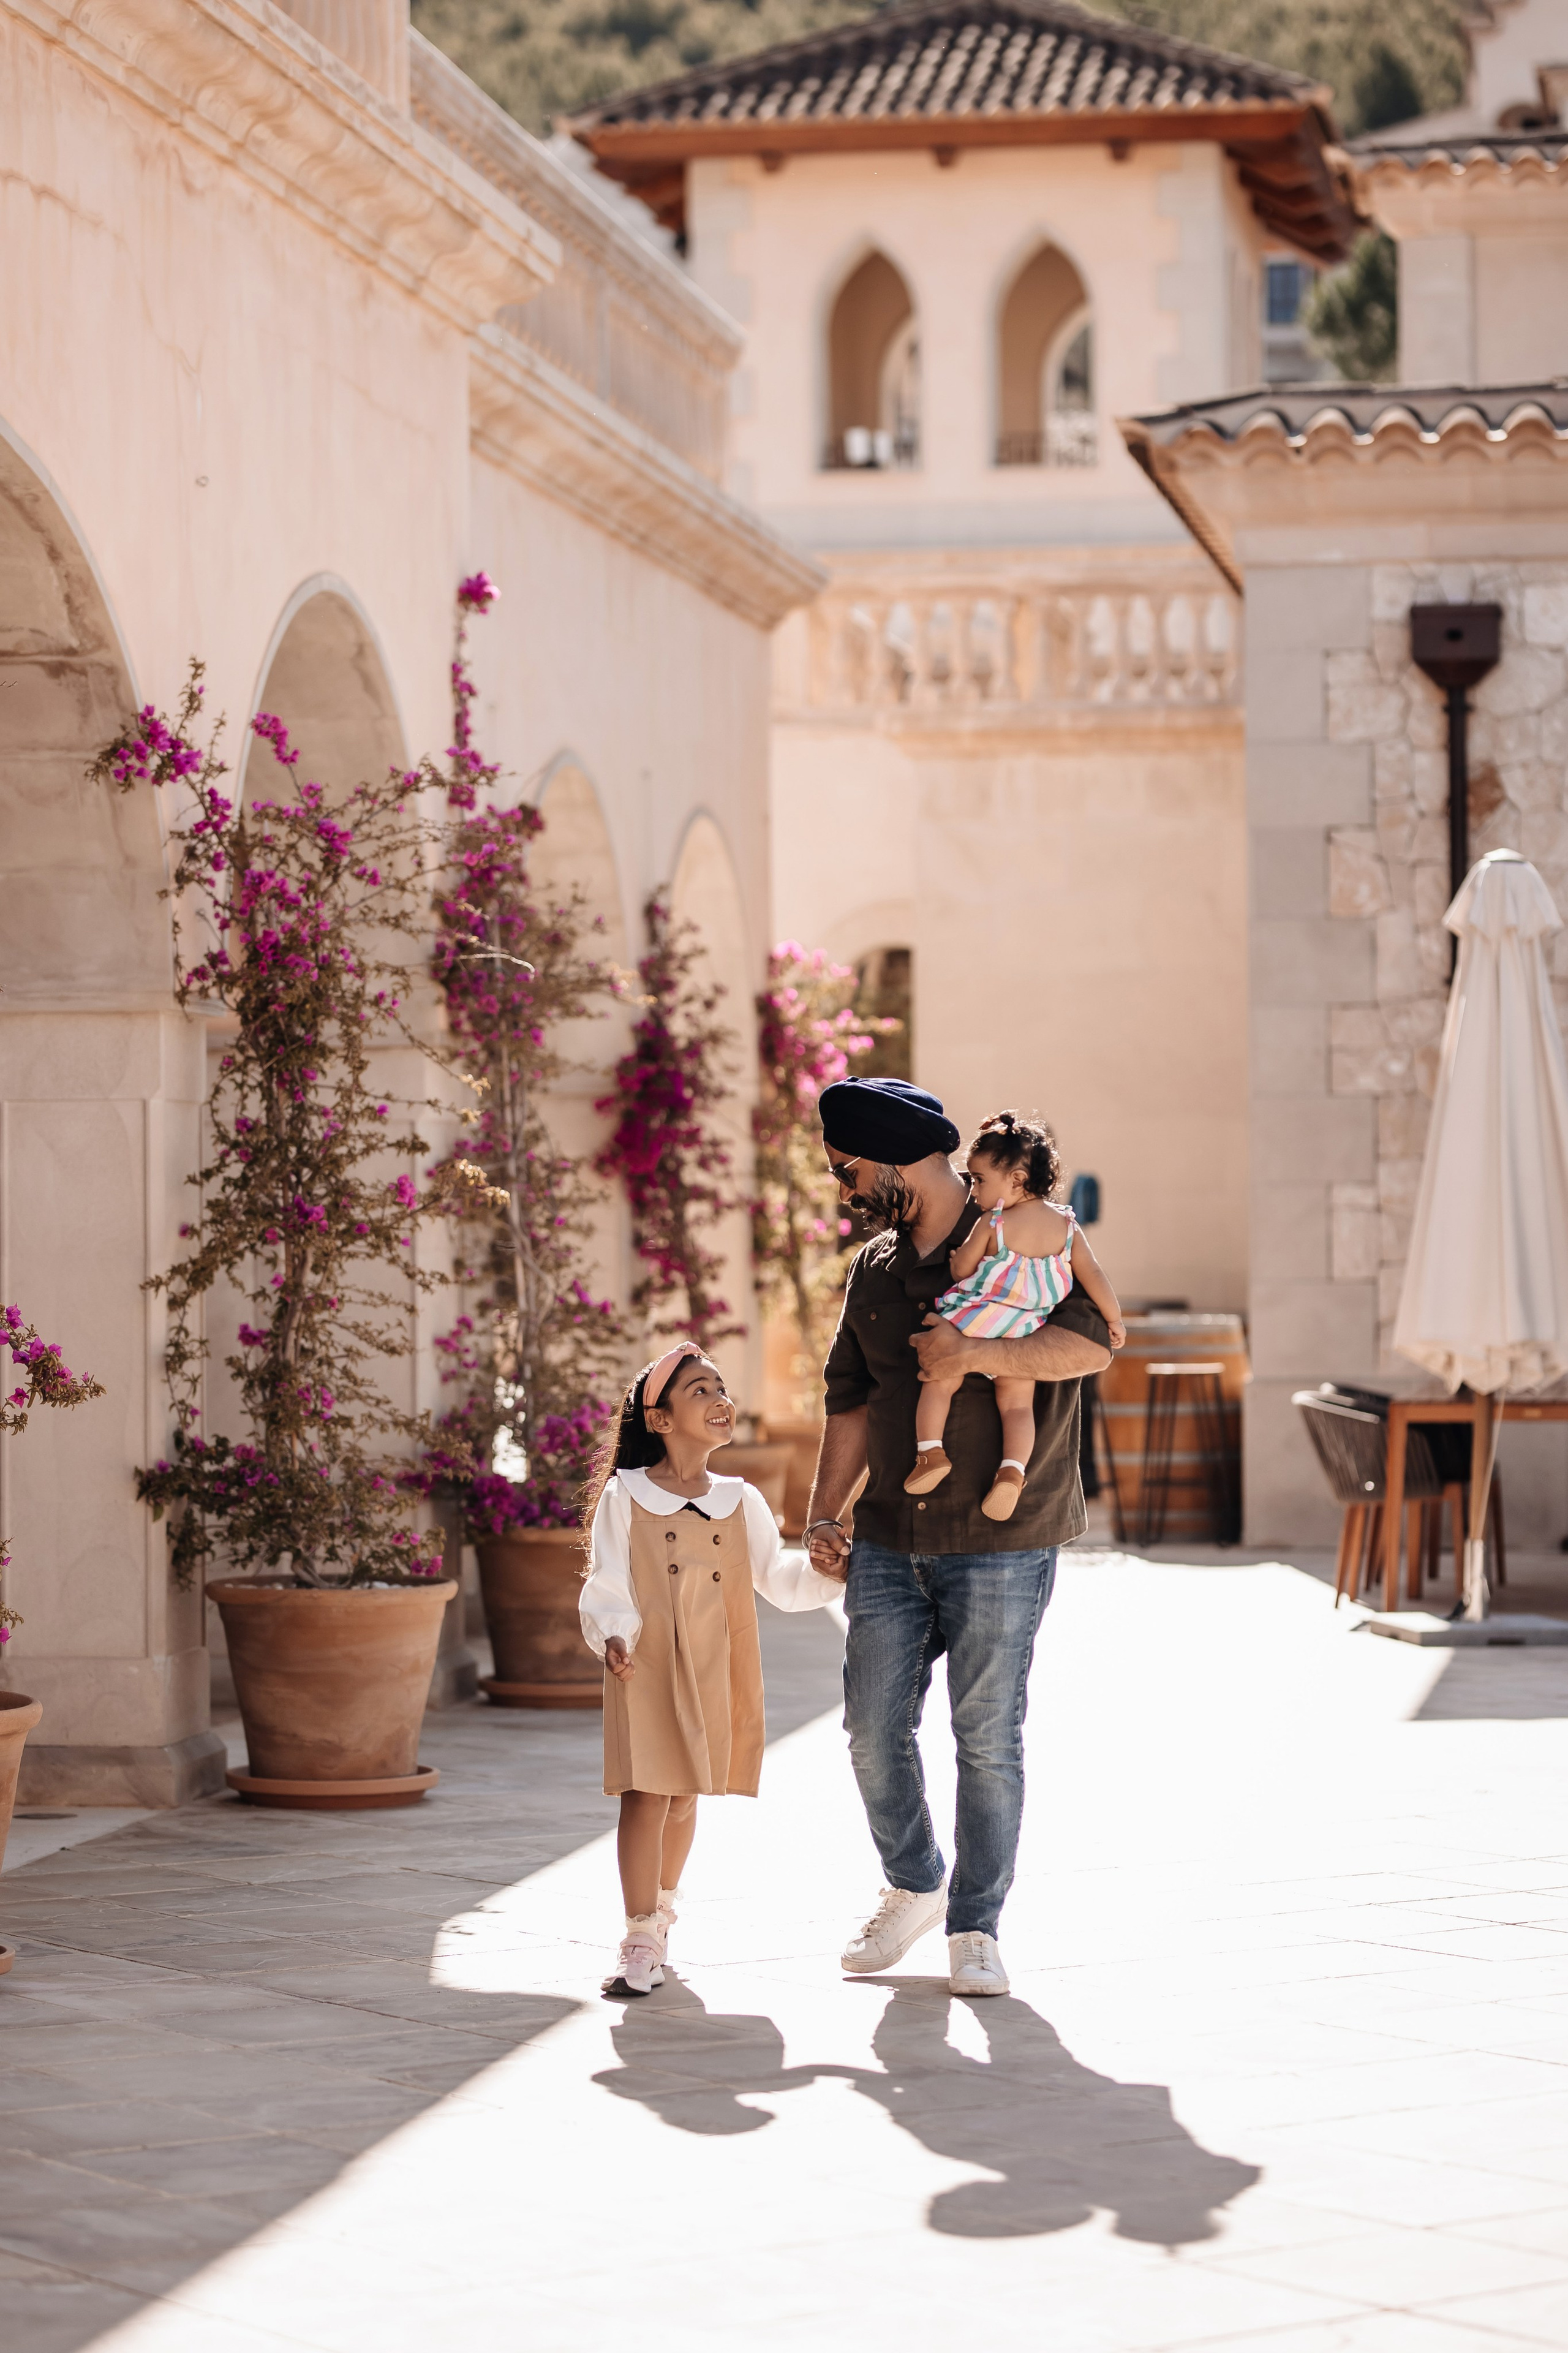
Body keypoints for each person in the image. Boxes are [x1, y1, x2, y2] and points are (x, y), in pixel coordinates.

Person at [804, 1075, 1111, 1998]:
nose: (842, 1187)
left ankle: (977, 1926)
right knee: (869, 1727)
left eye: (846, 1168)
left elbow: (1094, 1343)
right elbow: (848, 1401)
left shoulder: (1024, 1235)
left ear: (895, 1160)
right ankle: (915, 1881)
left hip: (1004, 1542)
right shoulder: (874, 1269)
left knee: (986, 1736)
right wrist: (824, 1512)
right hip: (892, 1536)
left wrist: (978, 1352)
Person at [580, 1340, 842, 2000]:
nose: (719, 1398)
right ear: (661, 1420)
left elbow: (778, 1580)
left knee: (685, 1793)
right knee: (646, 1790)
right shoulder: (626, 1493)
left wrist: (826, 1571)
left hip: (715, 1660)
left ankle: (663, 1911)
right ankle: (639, 1934)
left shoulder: (740, 1498)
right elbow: (607, 1577)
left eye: (720, 1386)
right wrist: (613, 1633)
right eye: (700, 1389)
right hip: (646, 1660)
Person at [908, 1109, 1125, 1521]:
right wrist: (1114, 1320)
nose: (973, 1190)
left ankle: (930, 1452)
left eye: (979, 1180)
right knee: (1018, 1406)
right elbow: (1094, 1276)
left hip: (975, 1320)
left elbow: (961, 1270)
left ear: (1017, 1181)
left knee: (938, 1380)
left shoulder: (993, 1222)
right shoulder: (1067, 1228)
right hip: (1025, 1327)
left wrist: (958, 1258)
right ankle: (1012, 1471)